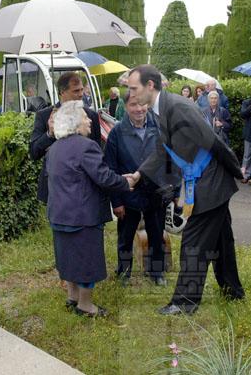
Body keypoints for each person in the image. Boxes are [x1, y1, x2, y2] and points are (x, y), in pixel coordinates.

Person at [125, 65, 245, 315]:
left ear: (150, 86)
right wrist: (138, 175)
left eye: (134, 88)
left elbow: (212, 140)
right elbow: (163, 149)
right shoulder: (161, 109)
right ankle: (232, 291)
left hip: (210, 183)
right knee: (221, 241)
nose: (131, 93)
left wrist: (236, 170)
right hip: (206, 181)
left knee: (194, 243)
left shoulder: (178, 107)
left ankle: (184, 302)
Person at [46, 101, 133, 317]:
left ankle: (72, 297)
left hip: (60, 214)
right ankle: (85, 306)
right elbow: (103, 177)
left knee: (67, 258)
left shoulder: (54, 148)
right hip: (83, 217)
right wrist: (125, 182)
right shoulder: (86, 146)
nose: (90, 121)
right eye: (85, 117)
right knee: (86, 261)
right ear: (75, 122)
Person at [104, 93, 166, 285]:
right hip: (128, 195)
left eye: (142, 104)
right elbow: (110, 168)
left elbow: (167, 160)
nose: (139, 109)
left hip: (155, 193)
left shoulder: (159, 127)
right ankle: (124, 272)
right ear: (125, 106)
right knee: (125, 237)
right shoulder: (116, 132)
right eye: (133, 105)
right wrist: (116, 202)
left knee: (157, 234)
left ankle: (157, 273)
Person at [29, 72, 101, 203]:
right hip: (56, 190)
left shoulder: (91, 116)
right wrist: (49, 134)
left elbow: (98, 155)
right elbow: (34, 152)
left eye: (81, 90)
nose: (81, 94)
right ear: (62, 92)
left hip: (85, 189)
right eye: (76, 91)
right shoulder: (45, 116)